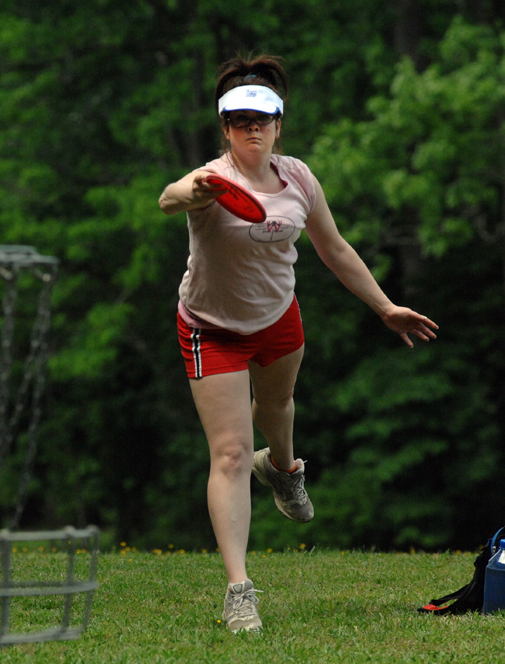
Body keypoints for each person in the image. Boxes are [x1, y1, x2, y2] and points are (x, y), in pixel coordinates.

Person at [158, 54, 438, 634]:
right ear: (225, 127)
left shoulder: (299, 179)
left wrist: (385, 307)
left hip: (278, 318)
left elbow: (334, 249)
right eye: (238, 120)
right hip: (211, 328)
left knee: (278, 408)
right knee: (231, 453)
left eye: (261, 119)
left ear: (279, 124)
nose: (250, 128)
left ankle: (284, 467)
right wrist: (195, 188)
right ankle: (240, 591)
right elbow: (171, 198)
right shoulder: (213, 181)